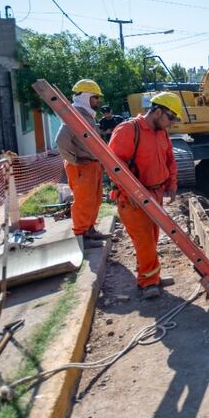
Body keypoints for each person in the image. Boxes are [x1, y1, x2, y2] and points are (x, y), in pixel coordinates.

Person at [108, 92, 183, 299]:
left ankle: (152, 276)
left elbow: (170, 160)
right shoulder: (128, 130)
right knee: (144, 242)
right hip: (133, 198)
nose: (171, 123)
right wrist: (128, 190)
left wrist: (172, 183)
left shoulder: (161, 133)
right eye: (170, 118)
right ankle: (147, 282)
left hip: (155, 194)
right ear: (157, 111)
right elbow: (113, 165)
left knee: (153, 238)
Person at [56, 79, 110, 248]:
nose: (97, 101)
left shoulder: (85, 115)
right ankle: (81, 235)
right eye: (95, 97)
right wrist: (74, 160)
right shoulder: (75, 115)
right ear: (86, 97)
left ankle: (89, 229)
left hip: (91, 165)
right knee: (83, 200)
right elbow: (61, 139)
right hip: (81, 166)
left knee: (94, 199)